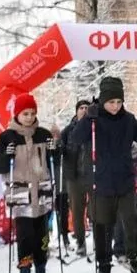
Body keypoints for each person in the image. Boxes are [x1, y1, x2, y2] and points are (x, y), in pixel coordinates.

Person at [72, 77, 137, 273]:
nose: (115, 106)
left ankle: (136, 264)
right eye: (111, 102)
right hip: (100, 181)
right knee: (102, 226)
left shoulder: (128, 119)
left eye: (119, 102)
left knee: (132, 224)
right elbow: (75, 139)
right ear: (102, 101)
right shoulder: (94, 119)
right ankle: (104, 267)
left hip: (125, 180)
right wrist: (87, 118)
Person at [0, 94, 56, 273]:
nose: (29, 117)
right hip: (21, 192)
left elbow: (55, 160)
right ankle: (24, 271)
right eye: (25, 113)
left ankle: (41, 270)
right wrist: (6, 155)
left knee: (43, 235)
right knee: (25, 236)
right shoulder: (6, 137)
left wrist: (55, 149)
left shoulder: (43, 134)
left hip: (42, 190)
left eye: (32, 113)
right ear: (17, 114)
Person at [60, 100, 91, 256]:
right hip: (74, 175)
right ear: (76, 111)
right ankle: (80, 242)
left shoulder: (93, 126)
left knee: (96, 208)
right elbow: (61, 148)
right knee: (77, 211)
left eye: (87, 108)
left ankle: (102, 241)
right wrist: (58, 147)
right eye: (81, 108)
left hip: (92, 174)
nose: (84, 110)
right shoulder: (67, 130)